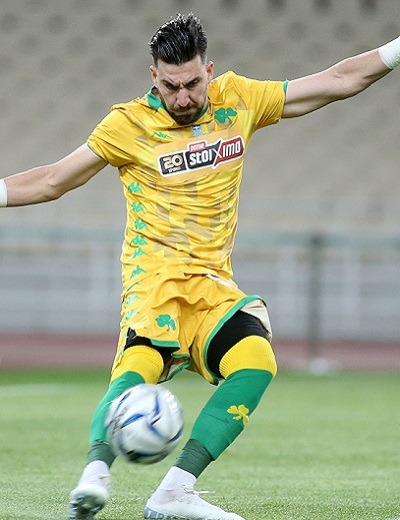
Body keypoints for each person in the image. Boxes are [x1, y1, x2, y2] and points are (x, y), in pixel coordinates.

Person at [1, 12, 399, 520]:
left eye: (192, 84)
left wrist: (395, 49)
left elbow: (339, 80)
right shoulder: (127, 125)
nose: (183, 97)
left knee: (256, 362)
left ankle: (175, 491)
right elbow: (54, 180)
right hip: (155, 282)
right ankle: (94, 476)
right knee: (137, 372)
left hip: (212, 286)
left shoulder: (239, 100)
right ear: (154, 77)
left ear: (208, 71)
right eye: (171, 87)